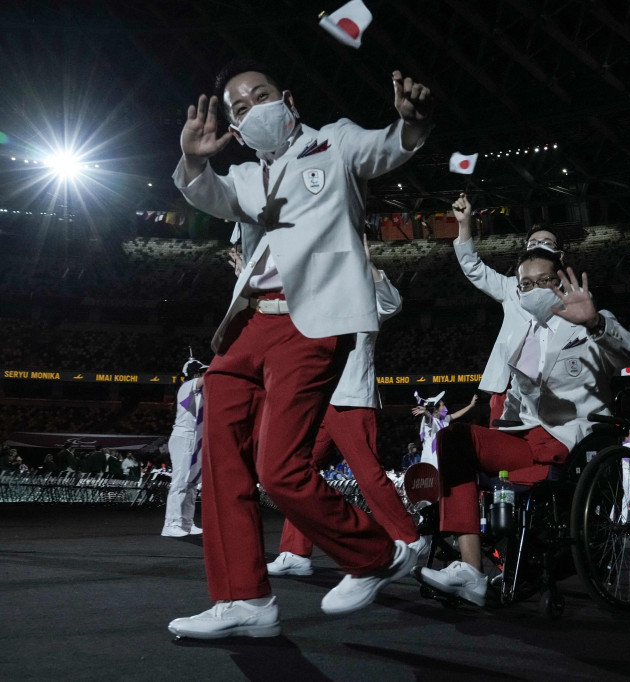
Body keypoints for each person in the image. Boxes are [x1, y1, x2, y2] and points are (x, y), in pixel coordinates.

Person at [167, 59, 433, 639]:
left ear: (286, 99)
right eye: (240, 108)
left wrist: (411, 123)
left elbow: (385, 148)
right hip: (245, 327)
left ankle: (376, 554)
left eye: (260, 95)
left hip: (310, 324)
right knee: (220, 462)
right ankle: (244, 599)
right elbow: (207, 194)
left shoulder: (332, 143)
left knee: (280, 472)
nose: (253, 107)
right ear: (234, 130)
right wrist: (193, 158)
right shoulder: (243, 176)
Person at [418, 256, 630, 606]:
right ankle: (471, 569)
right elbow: (515, 402)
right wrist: (492, 438)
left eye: (544, 280)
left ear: (559, 282)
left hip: (573, 441)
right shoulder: (519, 336)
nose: (534, 289)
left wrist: (596, 322)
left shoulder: (588, 324)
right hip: (525, 438)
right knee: (453, 440)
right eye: (525, 284)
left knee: (516, 465)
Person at [267, 240, 426, 577]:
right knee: (299, 470)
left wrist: (368, 265)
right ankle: (295, 552)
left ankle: (409, 539)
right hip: (320, 397)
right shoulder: (317, 300)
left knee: (368, 475)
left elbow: (393, 302)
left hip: (352, 398)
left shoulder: (365, 299)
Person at [451, 193, 565, 426]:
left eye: (547, 243)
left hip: (552, 390)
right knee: (501, 453)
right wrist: (464, 225)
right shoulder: (510, 286)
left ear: (560, 255)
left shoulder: (572, 296)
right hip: (507, 389)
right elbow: (473, 268)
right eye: (533, 243)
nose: (539, 245)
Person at [162, 358, 206, 538]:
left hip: (192, 437)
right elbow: (209, 377)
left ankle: (186, 523)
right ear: (195, 374)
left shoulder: (196, 390)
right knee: (180, 482)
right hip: (184, 436)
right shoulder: (187, 386)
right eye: (202, 372)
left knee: (191, 483)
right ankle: (170, 524)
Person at [412, 392, 478, 468]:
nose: (445, 407)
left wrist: (471, 405)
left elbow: (456, 414)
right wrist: (425, 412)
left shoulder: (444, 419)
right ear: (436, 410)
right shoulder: (431, 421)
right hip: (431, 461)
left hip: (441, 457)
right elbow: (428, 417)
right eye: (443, 406)